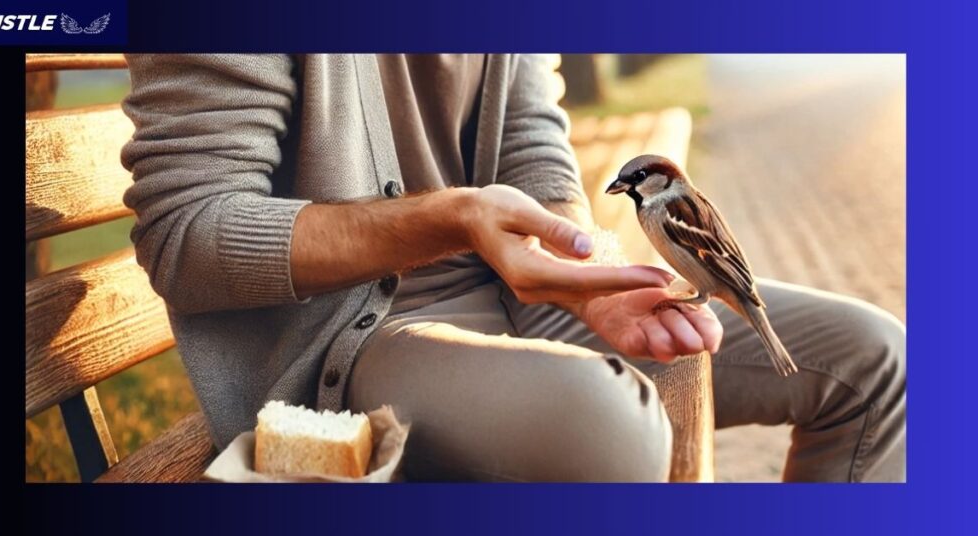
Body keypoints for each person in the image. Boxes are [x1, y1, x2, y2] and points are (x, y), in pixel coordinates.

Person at [121, 54, 905, 482]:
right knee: (606, 422)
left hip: (525, 291)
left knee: (876, 359)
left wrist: (578, 263)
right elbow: (187, 234)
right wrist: (449, 219)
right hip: (358, 336)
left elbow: (534, 141)